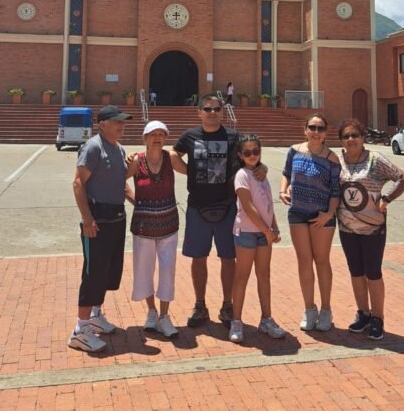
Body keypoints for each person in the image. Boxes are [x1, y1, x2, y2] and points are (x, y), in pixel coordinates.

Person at [171, 94, 267, 328]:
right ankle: (200, 305)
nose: (212, 113)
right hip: (197, 206)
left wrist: (261, 165)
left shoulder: (233, 137)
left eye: (216, 109)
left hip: (227, 207)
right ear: (199, 112)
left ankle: (227, 305)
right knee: (198, 257)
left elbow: (250, 155)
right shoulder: (190, 136)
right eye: (207, 109)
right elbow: (173, 153)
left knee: (228, 258)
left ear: (222, 112)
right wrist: (189, 171)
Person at [337, 118, 404, 341]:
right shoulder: (337, 160)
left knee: (373, 273)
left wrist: (386, 198)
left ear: (363, 138)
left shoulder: (375, 160)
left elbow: (403, 178)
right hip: (347, 227)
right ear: (341, 140)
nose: (351, 139)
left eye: (355, 135)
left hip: (372, 227)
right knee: (356, 272)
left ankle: (378, 317)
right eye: (346, 136)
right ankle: (363, 314)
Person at [68, 104, 133, 353]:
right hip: (98, 219)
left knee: (108, 271)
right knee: (93, 273)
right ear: (102, 123)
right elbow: (77, 183)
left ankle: (95, 314)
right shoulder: (93, 146)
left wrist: (142, 204)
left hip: (116, 218)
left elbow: (120, 185)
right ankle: (80, 330)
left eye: (123, 122)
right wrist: (87, 219)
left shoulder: (118, 149)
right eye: (117, 121)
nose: (122, 125)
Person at [279, 113, 341, 332]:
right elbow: (286, 173)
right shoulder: (294, 150)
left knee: (322, 260)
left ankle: (326, 310)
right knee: (304, 261)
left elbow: (335, 190)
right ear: (304, 129)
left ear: (326, 132)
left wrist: (328, 214)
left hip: (322, 214)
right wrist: (283, 189)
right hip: (297, 213)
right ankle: (309, 309)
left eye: (320, 128)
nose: (316, 132)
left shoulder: (332, 158)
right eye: (312, 128)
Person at [125, 120, 186, 338]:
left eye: (162, 134)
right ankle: (151, 312)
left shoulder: (171, 159)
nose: (157, 138)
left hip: (168, 223)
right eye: (153, 134)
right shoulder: (136, 160)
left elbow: (194, 172)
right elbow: (119, 181)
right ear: (145, 138)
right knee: (145, 268)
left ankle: (164, 316)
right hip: (143, 225)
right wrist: (136, 200)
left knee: (167, 269)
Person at [229, 134, 285, 343]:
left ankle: (266, 319)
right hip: (247, 232)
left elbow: (268, 203)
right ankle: (236, 321)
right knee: (242, 276)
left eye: (256, 151)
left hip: (264, 234)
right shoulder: (242, 175)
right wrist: (266, 230)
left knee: (264, 275)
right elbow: (247, 206)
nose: (252, 155)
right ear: (240, 155)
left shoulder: (261, 174)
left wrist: (275, 227)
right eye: (247, 152)